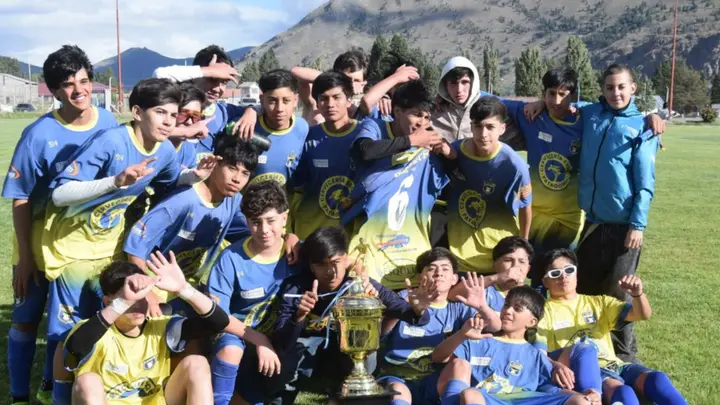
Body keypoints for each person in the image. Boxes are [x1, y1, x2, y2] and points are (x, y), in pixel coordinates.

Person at [41, 78, 217, 380]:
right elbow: (59, 194)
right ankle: (54, 389)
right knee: (66, 330)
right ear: (136, 112)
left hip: (110, 248)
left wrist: (194, 176)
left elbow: (169, 181)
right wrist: (116, 181)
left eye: (172, 115)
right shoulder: (110, 142)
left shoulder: (164, 150)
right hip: (71, 250)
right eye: (160, 112)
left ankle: (102, 383)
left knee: (108, 317)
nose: (168, 122)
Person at [2, 45, 117, 405]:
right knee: (26, 319)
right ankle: (19, 396)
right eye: (68, 84)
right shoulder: (38, 134)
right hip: (38, 241)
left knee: (75, 320)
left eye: (83, 80)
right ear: (53, 91)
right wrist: (25, 257)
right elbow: (20, 197)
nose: (78, 90)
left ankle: (54, 385)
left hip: (86, 244)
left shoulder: (109, 124)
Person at [268, 226, 438, 404]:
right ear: (311, 266)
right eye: (321, 265)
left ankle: (347, 398)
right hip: (306, 350)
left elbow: (402, 310)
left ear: (346, 259)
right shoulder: (296, 288)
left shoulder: (359, 284)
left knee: (366, 353)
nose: (330, 271)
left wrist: (418, 310)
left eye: (335, 262)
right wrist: (299, 317)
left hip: (344, 351)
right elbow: (281, 342)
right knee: (286, 361)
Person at [575, 64, 660, 363]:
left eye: (622, 87)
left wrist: (637, 224)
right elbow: (561, 105)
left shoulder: (643, 127)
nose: (616, 93)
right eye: (610, 87)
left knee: (618, 295)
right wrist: (535, 103)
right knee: (585, 289)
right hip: (592, 223)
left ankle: (625, 358)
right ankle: (586, 350)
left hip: (624, 228)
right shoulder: (590, 114)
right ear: (602, 89)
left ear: (633, 88)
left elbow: (645, 184)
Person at [62, 252, 229, 405]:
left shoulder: (162, 327)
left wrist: (183, 289)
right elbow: (75, 347)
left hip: (158, 401)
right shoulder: (92, 330)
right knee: (87, 381)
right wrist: (122, 303)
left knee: (197, 363)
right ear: (107, 302)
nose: (136, 305)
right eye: (129, 298)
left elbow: (218, 323)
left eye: (141, 296)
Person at [124, 135, 258, 314]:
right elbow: (135, 247)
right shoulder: (182, 200)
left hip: (186, 286)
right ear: (215, 164)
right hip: (155, 283)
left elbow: (255, 234)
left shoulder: (233, 201)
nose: (237, 179)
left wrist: (288, 238)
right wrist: (147, 292)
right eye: (232, 168)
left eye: (245, 173)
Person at [535, 248, 687, 405]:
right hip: (586, 370)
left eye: (569, 270)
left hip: (616, 365)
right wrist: (556, 366)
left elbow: (641, 314)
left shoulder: (599, 303)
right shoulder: (543, 311)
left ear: (576, 273)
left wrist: (637, 295)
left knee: (657, 379)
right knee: (623, 392)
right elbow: (538, 353)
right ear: (545, 281)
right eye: (555, 273)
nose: (563, 276)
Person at [343, 80, 451, 290]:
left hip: (410, 245)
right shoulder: (375, 126)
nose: (421, 123)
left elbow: (456, 181)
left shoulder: (430, 141)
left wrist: (451, 157)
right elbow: (364, 151)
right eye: (416, 115)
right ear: (398, 111)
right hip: (371, 241)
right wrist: (411, 141)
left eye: (426, 117)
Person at [205, 181, 303, 405]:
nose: (264, 230)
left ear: (284, 218)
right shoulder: (230, 259)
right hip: (237, 336)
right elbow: (217, 316)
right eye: (256, 222)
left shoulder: (299, 253)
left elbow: (336, 260)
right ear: (247, 221)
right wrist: (259, 339)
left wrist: (358, 270)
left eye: (271, 220)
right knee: (230, 349)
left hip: (279, 339)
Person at [436, 286, 601, 405]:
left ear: (532, 321)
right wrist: (461, 335)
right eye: (506, 305)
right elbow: (438, 357)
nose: (508, 311)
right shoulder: (479, 340)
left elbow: (550, 389)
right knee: (470, 395)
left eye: (517, 308)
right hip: (492, 400)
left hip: (526, 400)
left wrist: (582, 396)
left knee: (580, 402)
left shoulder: (535, 354)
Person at [377, 247, 501, 405]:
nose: (438, 273)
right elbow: (380, 334)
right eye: (431, 269)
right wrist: (403, 310)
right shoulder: (405, 297)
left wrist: (482, 306)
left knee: (461, 364)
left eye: (445, 269)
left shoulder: (458, 307)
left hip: (435, 379)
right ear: (420, 277)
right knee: (399, 391)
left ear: (454, 279)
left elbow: (495, 327)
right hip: (398, 376)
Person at [444, 97, 532, 274]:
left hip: (498, 259)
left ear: (502, 128)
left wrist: (523, 247)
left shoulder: (514, 165)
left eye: (490, 127)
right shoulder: (454, 152)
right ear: (471, 126)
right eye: (478, 126)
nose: (483, 134)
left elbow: (525, 208)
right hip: (459, 259)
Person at [153, 45, 258, 162]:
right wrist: (207, 71)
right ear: (196, 76)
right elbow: (159, 75)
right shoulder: (173, 106)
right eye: (212, 79)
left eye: (224, 82)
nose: (217, 89)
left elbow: (265, 107)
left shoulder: (225, 112)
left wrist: (251, 111)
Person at [292, 71, 364, 240]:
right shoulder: (309, 137)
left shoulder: (366, 134)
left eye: (336, 97)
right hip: (311, 232)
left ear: (349, 100)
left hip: (351, 234)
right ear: (317, 103)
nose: (330, 104)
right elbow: (296, 187)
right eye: (323, 98)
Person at [246, 69, 309, 189]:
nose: (279, 108)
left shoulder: (302, 128)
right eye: (272, 101)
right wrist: (251, 109)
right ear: (262, 100)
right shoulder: (248, 126)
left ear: (295, 100)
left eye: (286, 101)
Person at [291, 48, 369, 124]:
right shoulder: (316, 100)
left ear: (364, 83)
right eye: (346, 79)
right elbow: (294, 72)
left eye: (357, 81)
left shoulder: (366, 108)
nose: (351, 84)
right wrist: (330, 80)